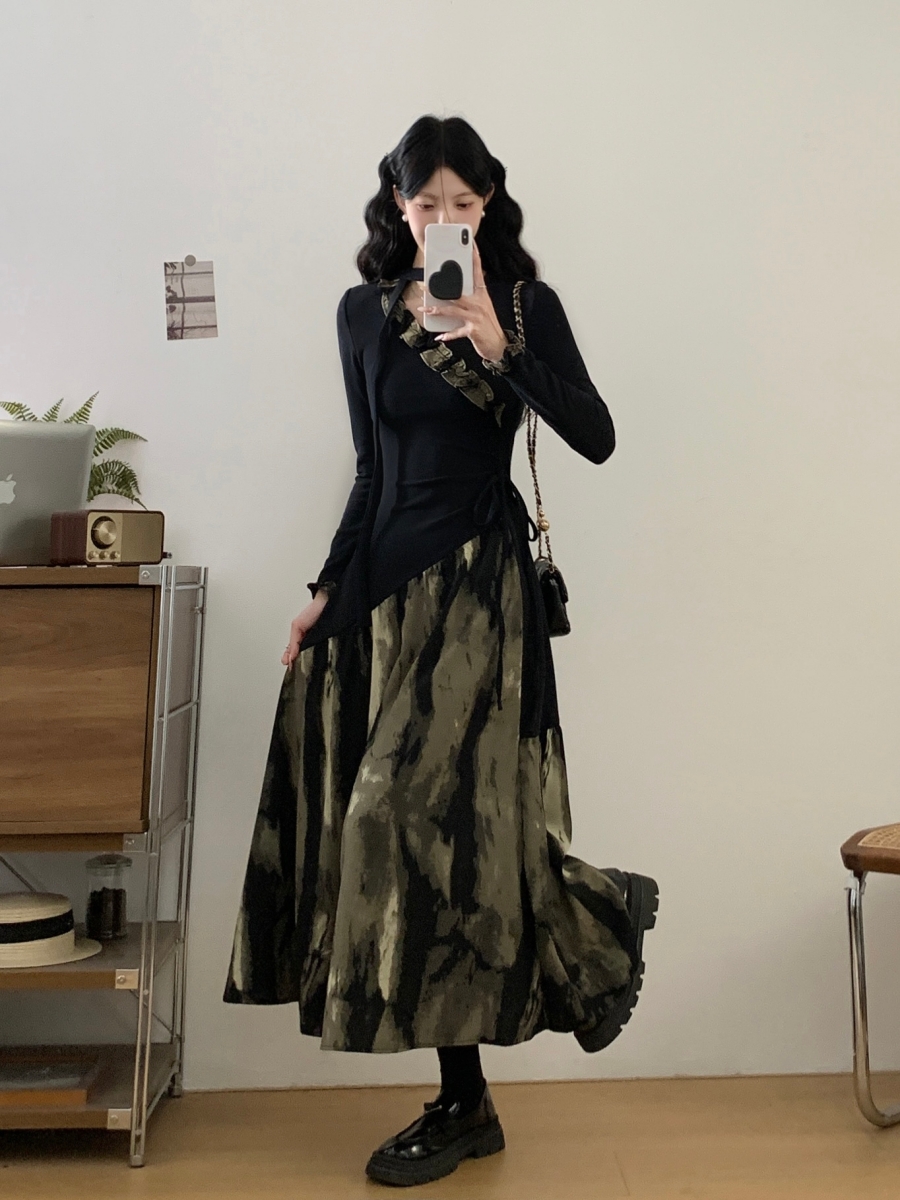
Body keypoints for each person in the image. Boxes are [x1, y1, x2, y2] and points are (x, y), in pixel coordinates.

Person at [223, 114, 659, 1188]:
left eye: (464, 203)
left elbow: (598, 435)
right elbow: (370, 471)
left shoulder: (523, 305)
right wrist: (323, 592)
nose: (445, 220)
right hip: (385, 589)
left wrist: (501, 351)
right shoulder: (362, 314)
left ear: (488, 203)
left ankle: (586, 920)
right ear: (399, 206)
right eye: (428, 205)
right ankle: (469, 1098)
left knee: (397, 815)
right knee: (428, 842)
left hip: (480, 590)